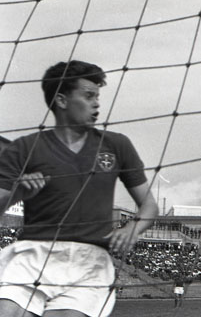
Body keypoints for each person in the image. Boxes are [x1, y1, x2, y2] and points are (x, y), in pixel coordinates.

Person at [0, 60, 159, 317]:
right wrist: (19, 193)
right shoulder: (24, 148)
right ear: (62, 100)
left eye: (97, 96)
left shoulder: (117, 145)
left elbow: (149, 205)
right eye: (88, 96)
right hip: (34, 253)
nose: (96, 104)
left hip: (89, 261)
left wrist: (133, 228)